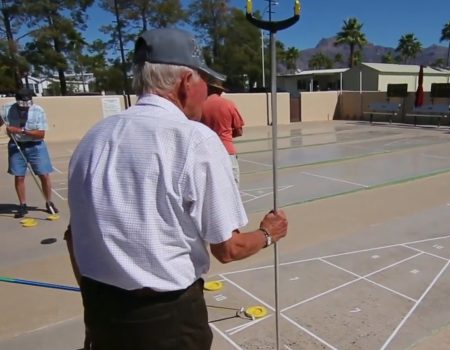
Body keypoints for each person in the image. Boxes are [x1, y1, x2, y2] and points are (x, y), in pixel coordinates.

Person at [66, 27, 288, 350]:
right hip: (167, 322)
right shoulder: (193, 140)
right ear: (186, 82)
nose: (207, 92)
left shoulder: (93, 138)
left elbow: (74, 238)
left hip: (102, 313)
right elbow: (229, 248)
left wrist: (93, 311)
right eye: (204, 82)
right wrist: (269, 233)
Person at [0, 88, 58, 218]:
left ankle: (49, 202)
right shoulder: (6, 109)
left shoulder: (38, 110)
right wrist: (6, 126)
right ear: (17, 101)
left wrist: (20, 130)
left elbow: (40, 134)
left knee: (44, 175)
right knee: (19, 176)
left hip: (36, 146)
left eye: (27, 105)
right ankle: (22, 205)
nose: (25, 109)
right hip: (16, 145)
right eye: (22, 106)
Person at [201, 80, 245, 185]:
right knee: (232, 186)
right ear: (220, 91)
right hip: (227, 150)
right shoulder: (229, 105)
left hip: (207, 151)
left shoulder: (200, 106)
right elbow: (239, 131)